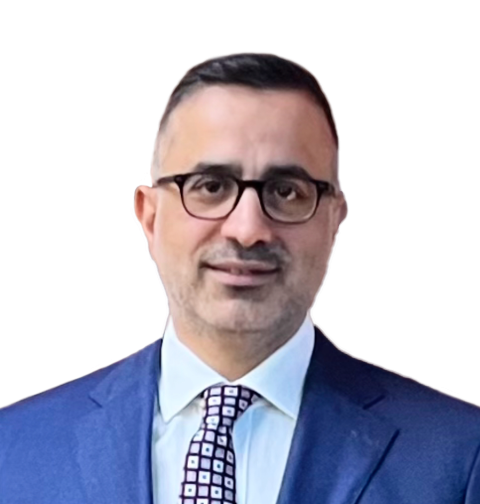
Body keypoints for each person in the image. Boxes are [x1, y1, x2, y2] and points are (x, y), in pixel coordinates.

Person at [0, 51, 479, 504]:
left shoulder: (459, 456)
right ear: (149, 216)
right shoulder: (14, 450)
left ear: (335, 220)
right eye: (210, 186)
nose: (248, 229)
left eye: (287, 191)